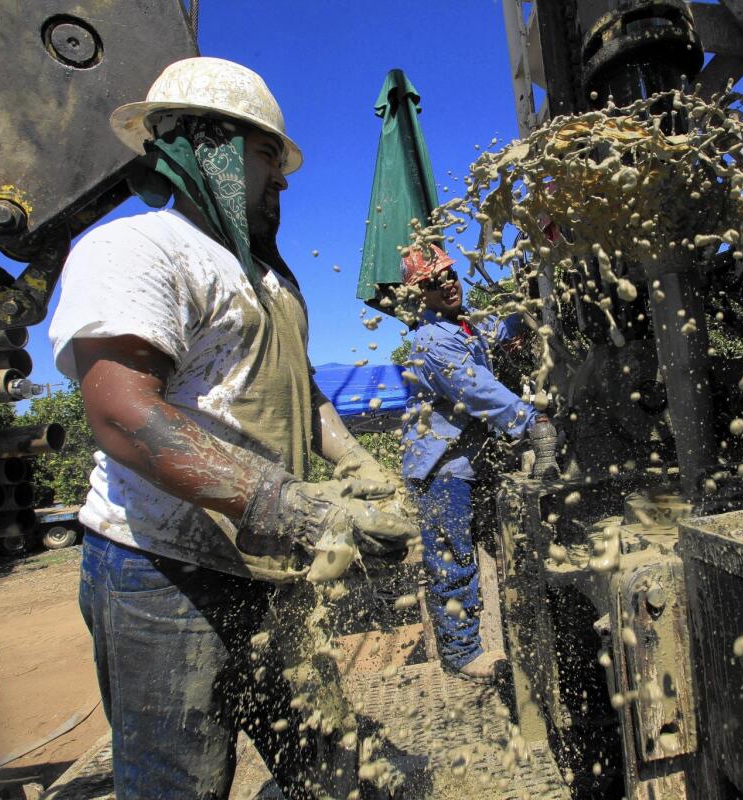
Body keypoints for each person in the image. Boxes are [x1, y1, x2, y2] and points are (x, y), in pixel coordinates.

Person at [48, 57, 414, 799]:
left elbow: (299, 391)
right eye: (267, 157)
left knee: (329, 768)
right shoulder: (137, 249)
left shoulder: (270, 278)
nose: (282, 179)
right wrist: (298, 507)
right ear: (202, 145)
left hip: (267, 566)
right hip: (162, 571)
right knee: (178, 784)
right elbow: (124, 413)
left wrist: (355, 465)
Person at [399, 245, 558, 681]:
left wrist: (529, 294)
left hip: (469, 461)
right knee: (453, 562)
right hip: (441, 468)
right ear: (419, 295)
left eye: (449, 275)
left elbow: (499, 329)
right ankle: (462, 653)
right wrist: (531, 418)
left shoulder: (462, 325)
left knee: (507, 543)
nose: (447, 284)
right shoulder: (431, 341)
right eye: (433, 282)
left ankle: (503, 634)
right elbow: (476, 389)